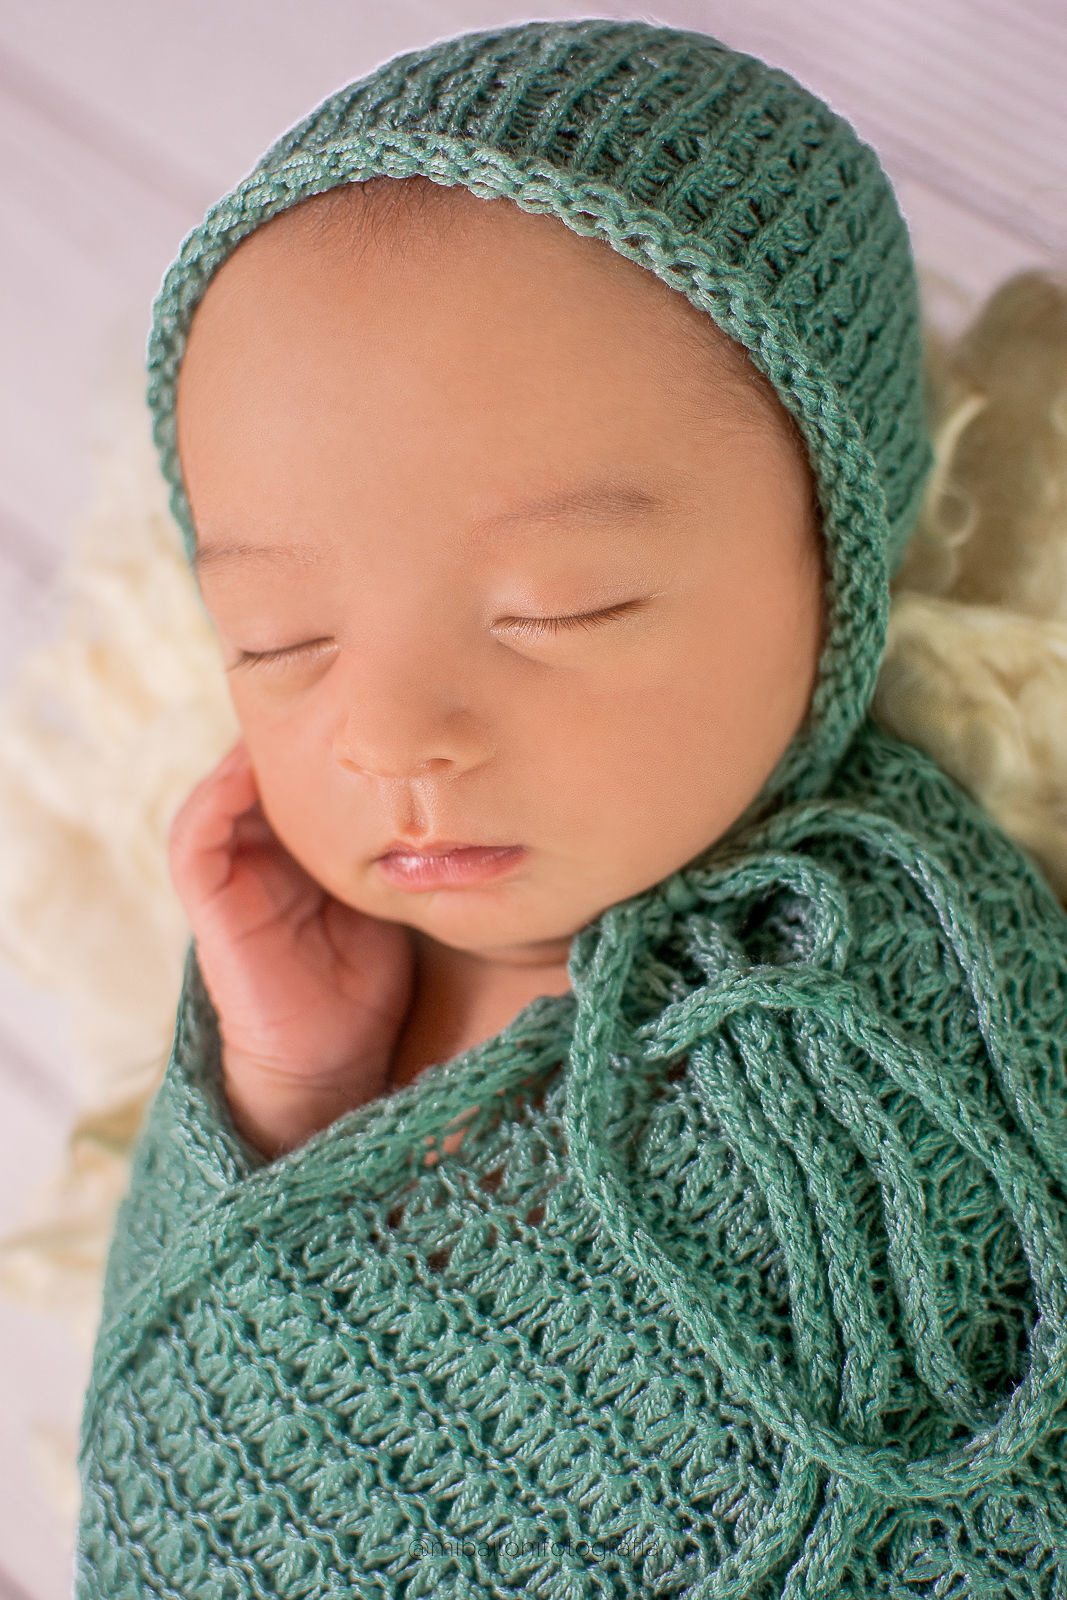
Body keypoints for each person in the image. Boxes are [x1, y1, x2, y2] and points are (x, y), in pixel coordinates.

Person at [74, 18, 1067, 1598]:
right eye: (280, 640)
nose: (391, 735)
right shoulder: (312, 996)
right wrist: (284, 1086)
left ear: (838, 549)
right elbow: (180, 1398)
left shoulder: (899, 982)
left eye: (560, 607)